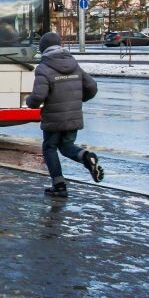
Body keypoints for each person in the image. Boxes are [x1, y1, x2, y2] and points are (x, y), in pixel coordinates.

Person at [26, 32, 104, 198]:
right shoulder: (74, 64)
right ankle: (86, 157)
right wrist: (79, 99)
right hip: (73, 115)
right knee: (67, 146)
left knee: (49, 148)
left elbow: (38, 96)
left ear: (43, 48)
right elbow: (92, 86)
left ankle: (59, 185)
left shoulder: (44, 68)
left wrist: (30, 102)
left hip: (54, 118)